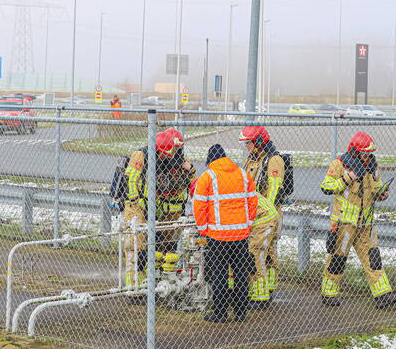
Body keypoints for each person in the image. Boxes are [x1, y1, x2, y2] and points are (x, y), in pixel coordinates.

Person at [319, 131, 396, 309]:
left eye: (369, 153)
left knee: (373, 257)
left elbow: (376, 187)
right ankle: (329, 293)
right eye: (364, 153)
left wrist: (382, 194)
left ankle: (382, 295)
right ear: (355, 151)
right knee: (337, 258)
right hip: (344, 223)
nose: (367, 156)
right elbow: (326, 186)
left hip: (366, 223)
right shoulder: (340, 164)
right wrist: (347, 178)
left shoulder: (373, 166)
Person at [121, 127, 195, 288]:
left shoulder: (169, 160)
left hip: (160, 211)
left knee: (159, 247)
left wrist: (189, 169)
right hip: (137, 209)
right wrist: (141, 204)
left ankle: (153, 282)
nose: (168, 156)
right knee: (135, 246)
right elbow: (131, 182)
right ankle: (133, 287)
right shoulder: (141, 156)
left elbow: (186, 182)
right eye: (166, 153)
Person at [192, 144, 256, 323]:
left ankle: (220, 313)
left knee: (219, 274)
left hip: (218, 236)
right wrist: (248, 224)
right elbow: (253, 201)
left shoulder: (208, 177)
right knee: (240, 274)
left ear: (210, 160)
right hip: (241, 235)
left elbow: (199, 206)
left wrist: (203, 229)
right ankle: (240, 313)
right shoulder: (243, 174)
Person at [239, 125, 286, 308]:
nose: (247, 147)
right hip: (256, 212)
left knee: (263, 251)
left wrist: (266, 212)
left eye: (249, 143)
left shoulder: (273, 160)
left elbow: (274, 189)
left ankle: (264, 291)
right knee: (265, 251)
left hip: (268, 213)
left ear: (259, 142)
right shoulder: (252, 159)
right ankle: (266, 286)